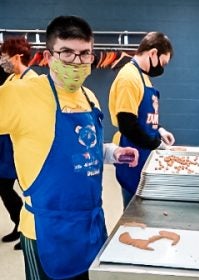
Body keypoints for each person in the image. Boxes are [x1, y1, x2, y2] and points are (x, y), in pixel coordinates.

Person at [0, 15, 139, 280]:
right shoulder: (23, 93)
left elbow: (82, 148)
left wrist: (112, 153)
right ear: (49, 56)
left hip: (91, 226)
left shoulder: (90, 97)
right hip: (46, 230)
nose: (76, 62)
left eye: (84, 54)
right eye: (66, 53)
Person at [109, 32, 175, 208]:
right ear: (153, 53)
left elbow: (142, 115)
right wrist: (156, 144)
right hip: (133, 154)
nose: (162, 68)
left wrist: (160, 130)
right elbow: (128, 125)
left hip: (145, 151)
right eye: (163, 62)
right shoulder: (128, 78)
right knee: (134, 213)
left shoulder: (143, 76)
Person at [0, 37, 38, 250]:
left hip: (25, 145)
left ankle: (28, 232)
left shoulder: (32, 81)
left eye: (4, 55)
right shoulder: (11, 79)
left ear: (16, 56)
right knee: (4, 185)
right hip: (7, 143)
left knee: (28, 189)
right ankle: (20, 225)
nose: (1, 60)